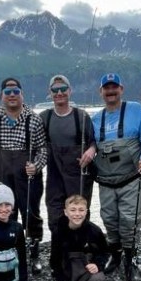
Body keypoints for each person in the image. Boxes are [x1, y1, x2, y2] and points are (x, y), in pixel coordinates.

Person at [91, 73, 141, 281]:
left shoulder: (137, 110)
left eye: (114, 87)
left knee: (130, 222)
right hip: (106, 182)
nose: (110, 91)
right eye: (106, 88)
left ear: (122, 89)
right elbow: (90, 145)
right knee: (110, 221)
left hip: (131, 179)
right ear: (101, 92)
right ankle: (116, 256)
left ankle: (131, 263)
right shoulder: (94, 120)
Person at [0, 77, 48, 274]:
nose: (12, 95)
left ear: (22, 95)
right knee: (6, 213)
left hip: (28, 176)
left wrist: (37, 166)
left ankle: (34, 253)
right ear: (1, 96)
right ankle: (10, 250)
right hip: (3, 174)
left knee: (31, 213)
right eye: (7, 92)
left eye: (16, 92)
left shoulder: (34, 119)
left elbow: (43, 149)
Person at [40, 74, 97, 234]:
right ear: (50, 92)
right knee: (55, 216)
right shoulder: (44, 117)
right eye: (55, 90)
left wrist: (92, 150)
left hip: (78, 175)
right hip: (54, 177)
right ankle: (59, 252)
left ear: (70, 91)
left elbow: (93, 142)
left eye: (63, 89)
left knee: (79, 215)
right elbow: (34, 144)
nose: (59, 93)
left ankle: (82, 252)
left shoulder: (82, 116)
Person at [50, 194, 109, 281]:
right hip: (69, 274)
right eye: (73, 210)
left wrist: (98, 265)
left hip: (87, 273)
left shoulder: (95, 231)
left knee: (99, 280)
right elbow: (54, 261)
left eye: (81, 210)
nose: (77, 214)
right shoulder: (58, 232)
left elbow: (105, 252)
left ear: (86, 211)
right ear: (66, 212)